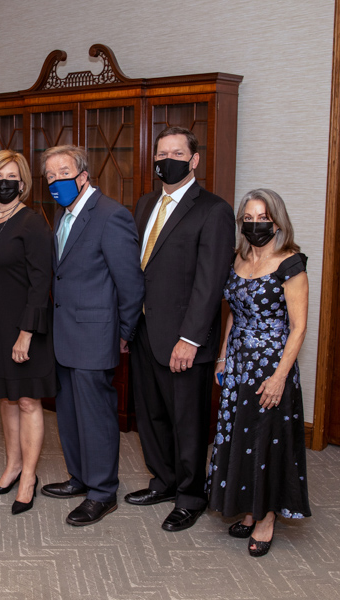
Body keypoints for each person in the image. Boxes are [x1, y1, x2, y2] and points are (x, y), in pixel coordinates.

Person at [127, 126, 236, 532]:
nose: (166, 159)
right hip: (143, 330)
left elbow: (210, 283)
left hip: (183, 338)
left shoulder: (214, 209)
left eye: (176, 152)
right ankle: (164, 480)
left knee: (186, 420)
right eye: (161, 153)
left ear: (194, 160)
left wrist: (190, 338)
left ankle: (191, 495)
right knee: (151, 414)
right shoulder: (144, 204)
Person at [39, 146, 145, 526]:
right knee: (68, 413)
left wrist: (124, 333)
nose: (55, 181)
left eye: (62, 172)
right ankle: (80, 477)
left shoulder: (111, 215)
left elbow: (130, 283)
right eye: (49, 175)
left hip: (97, 335)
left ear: (83, 175)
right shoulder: (62, 215)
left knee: (97, 417)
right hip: (65, 334)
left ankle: (102, 491)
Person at [209, 188, 310, 557]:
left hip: (271, 364)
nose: (255, 225)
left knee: (267, 439)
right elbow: (234, 311)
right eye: (248, 219)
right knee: (241, 435)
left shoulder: (290, 263)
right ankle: (251, 509)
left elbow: (298, 327)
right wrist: (222, 357)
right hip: (238, 363)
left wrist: (280, 376)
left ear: (277, 221)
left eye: (262, 218)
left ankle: (267, 518)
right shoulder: (237, 259)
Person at [0, 150, 54, 515]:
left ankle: (29, 477)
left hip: (25, 329)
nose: (5, 182)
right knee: (6, 399)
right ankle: (12, 466)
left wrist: (26, 333)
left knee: (29, 401)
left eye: (12, 177)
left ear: (23, 183)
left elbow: (40, 283)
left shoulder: (33, 223)